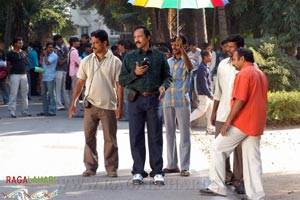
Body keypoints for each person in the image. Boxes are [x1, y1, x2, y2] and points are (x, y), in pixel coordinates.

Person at [200, 48, 268, 200]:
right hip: (257, 122)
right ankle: (256, 195)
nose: (234, 63)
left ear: (243, 59)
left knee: (217, 147)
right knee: (252, 159)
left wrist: (227, 123)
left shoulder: (244, 74)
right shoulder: (260, 73)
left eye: (235, 60)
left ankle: (217, 185)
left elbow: (240, 100)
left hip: (243, 122)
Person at [119, 25, 172, 185]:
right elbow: (121, 80)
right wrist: (135, 74)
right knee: (136, 136)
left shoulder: (159, 56)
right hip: (135, 100)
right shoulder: (129, 57)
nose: (136, 39)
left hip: (154, 100)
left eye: (140, 36)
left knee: (155, 136)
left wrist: (164, 86)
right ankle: (138, 171)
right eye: (135, 37)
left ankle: (157, 172)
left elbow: (168, 77)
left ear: (148, 37)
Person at [68, 29, 123, 178]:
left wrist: (120, 106)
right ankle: (90, 167)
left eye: (96, 43)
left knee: (110, 139)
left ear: (105, 43)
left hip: (108, 105)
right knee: (89, 138)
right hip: (90, 105)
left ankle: (111, 168)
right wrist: (73, 103)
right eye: (92, 43)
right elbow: (80, 83)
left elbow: (119, 85)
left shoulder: (115, 61)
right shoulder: (86, 60)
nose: (93, 46)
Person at [210, 34, 245, 193]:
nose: (227, 49)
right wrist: (214, 112)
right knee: (219, 147)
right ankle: (225, 177)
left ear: (240, 47)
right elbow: (218, 91)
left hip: (240, 115)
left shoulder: (248, 65)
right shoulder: (223, 64)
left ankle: (239, 181)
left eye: (231, 47)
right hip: (222, 113)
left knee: (239, 150)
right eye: (227, 46)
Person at [162, 36, 194, 177]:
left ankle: (185, 166)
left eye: (178, 45)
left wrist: (183, 51)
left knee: (184, 134)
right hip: (167, 101)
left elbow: (190, 67)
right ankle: (172, 164)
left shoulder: (188, 60)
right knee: (169, 133)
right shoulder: (167, 62)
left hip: (182, 101)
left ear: (184, 46)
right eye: (173, 44)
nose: (175, 47)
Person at [190, 50, 215, 134]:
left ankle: (209, 127)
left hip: (207, 93)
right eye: (210, 56)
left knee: (210, 110)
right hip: (204, 94)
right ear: (205, 57)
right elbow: (203, 82)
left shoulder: (205, 66)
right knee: (201, 110)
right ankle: (186, 121)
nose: (211, 57)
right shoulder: (202, 67)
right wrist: (209, 94)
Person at [6, 37, 32, 118]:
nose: (21, 44)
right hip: (14, 75)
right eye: (19, 43)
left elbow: (27, 62)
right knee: (13, 93)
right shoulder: (10, 54)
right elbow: (8, 65)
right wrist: (9, 75)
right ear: (15, 44)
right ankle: (12, 111)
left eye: (21, 43)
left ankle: (25, 110)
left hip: (24, 74)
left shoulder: (24, 52)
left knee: (25, 93)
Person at [37, 42, 58, 116]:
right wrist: (40, 78)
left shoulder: (54, 56)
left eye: (52, 47)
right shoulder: (43, 56)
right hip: (44, 77)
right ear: (46, 48)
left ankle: (52, 110)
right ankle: (45, 110)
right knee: (43, 95)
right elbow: (41, 66)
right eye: (49, 47)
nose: (50, 49)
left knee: (51, 94)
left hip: (51, 77)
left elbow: (47, 63)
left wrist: (44, 55)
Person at [53, 34, 70, 110]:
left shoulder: (65, 48)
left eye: (61, 39)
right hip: (58, 70)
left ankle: (67, 104)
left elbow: (68, 58)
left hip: (65, 69)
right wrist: (66, 59)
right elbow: (59, 62)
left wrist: (65, 59)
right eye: (59, 40)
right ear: (56, 41)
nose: (61, 41)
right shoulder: (55, 50)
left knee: (65, 88)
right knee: (58, 88)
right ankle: (58, 105)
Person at [68, 37, 82, 117]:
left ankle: (74, 110)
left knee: (74, 92)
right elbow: (80, 63)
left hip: (73, 73)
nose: (79, 43)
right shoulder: (74, 52)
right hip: (75, 74)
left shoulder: (71, 51)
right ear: (73, 42)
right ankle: (76, 111)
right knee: (76, 93)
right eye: (77, 41)